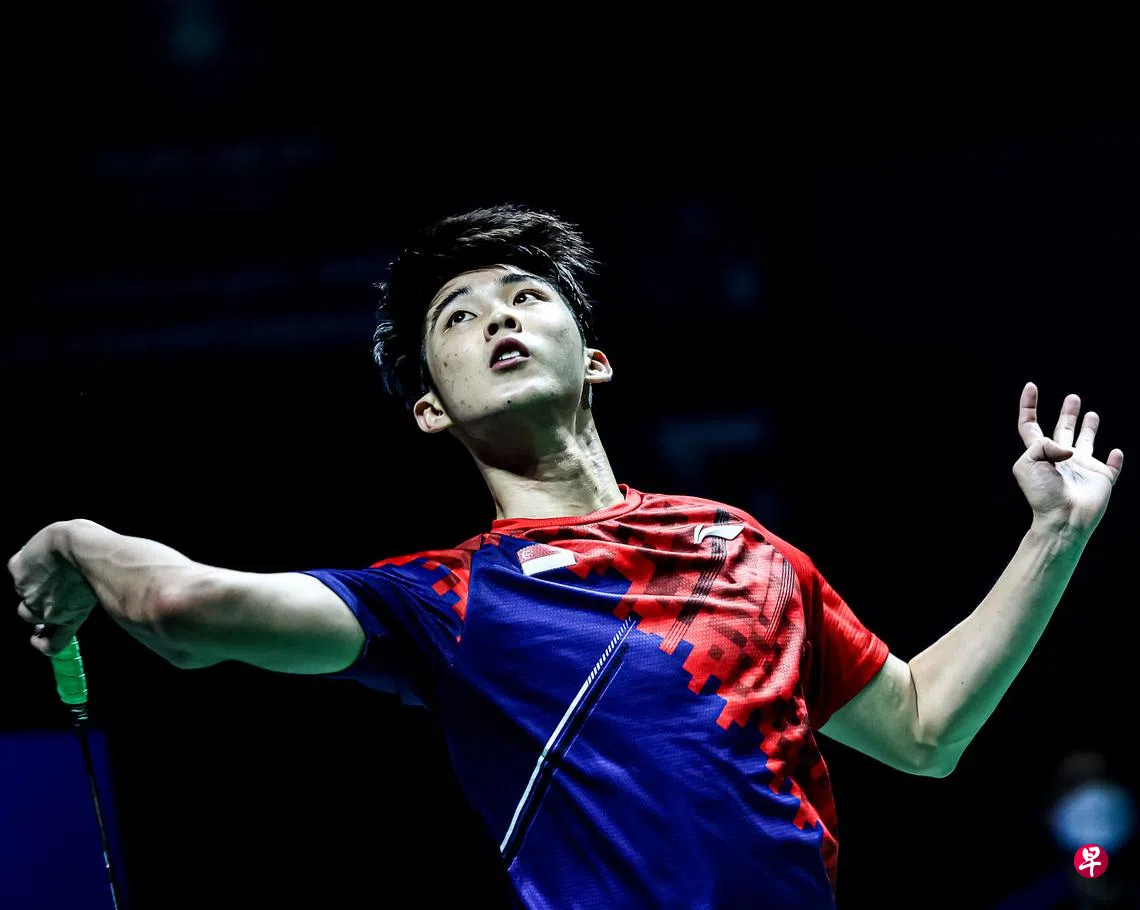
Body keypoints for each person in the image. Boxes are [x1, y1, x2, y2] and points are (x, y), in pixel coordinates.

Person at [9, 204, 1125, 909]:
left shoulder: (745, 549)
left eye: (527, 296)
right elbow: (181, 609)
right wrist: (76, 539)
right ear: (431, 409)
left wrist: (1055, 534)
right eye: (457, 317)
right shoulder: (449, 600)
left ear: (592, 357)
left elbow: (924, 730)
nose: (499, 318)